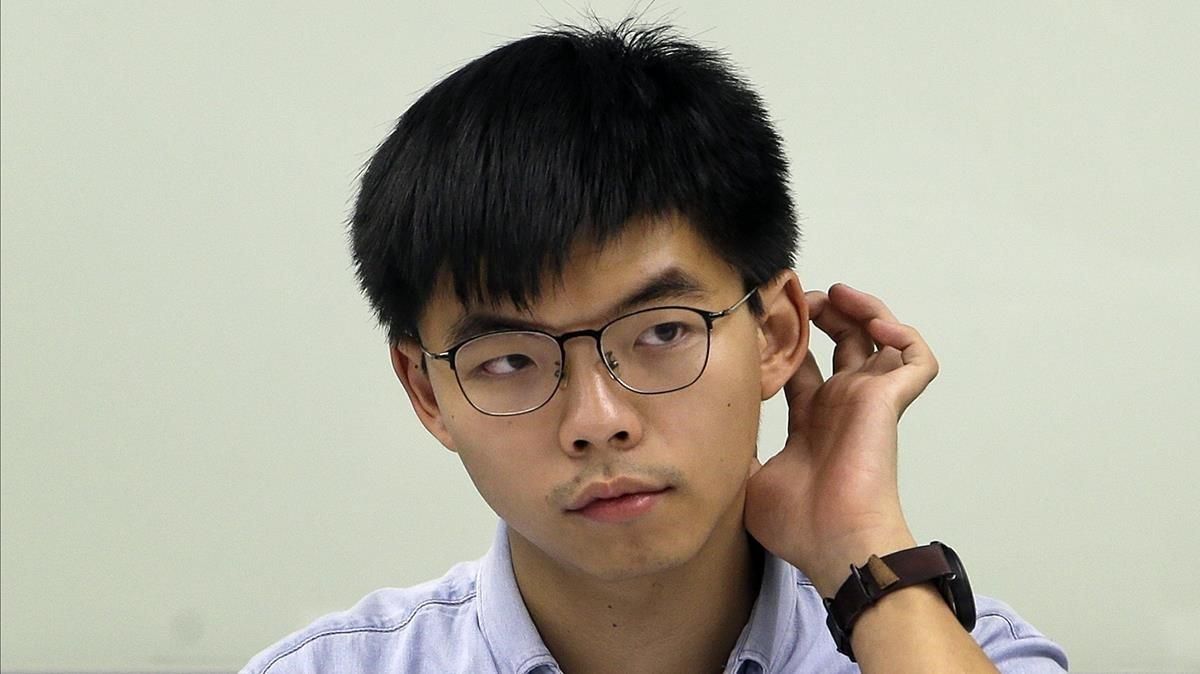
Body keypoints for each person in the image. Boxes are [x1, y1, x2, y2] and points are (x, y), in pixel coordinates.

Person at [242, 21, 1069, 674]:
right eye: (509, 359)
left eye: (664, 333)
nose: (597, 423)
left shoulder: (952, 651)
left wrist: (864, 555)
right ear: (427, 393)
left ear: (776, 334)